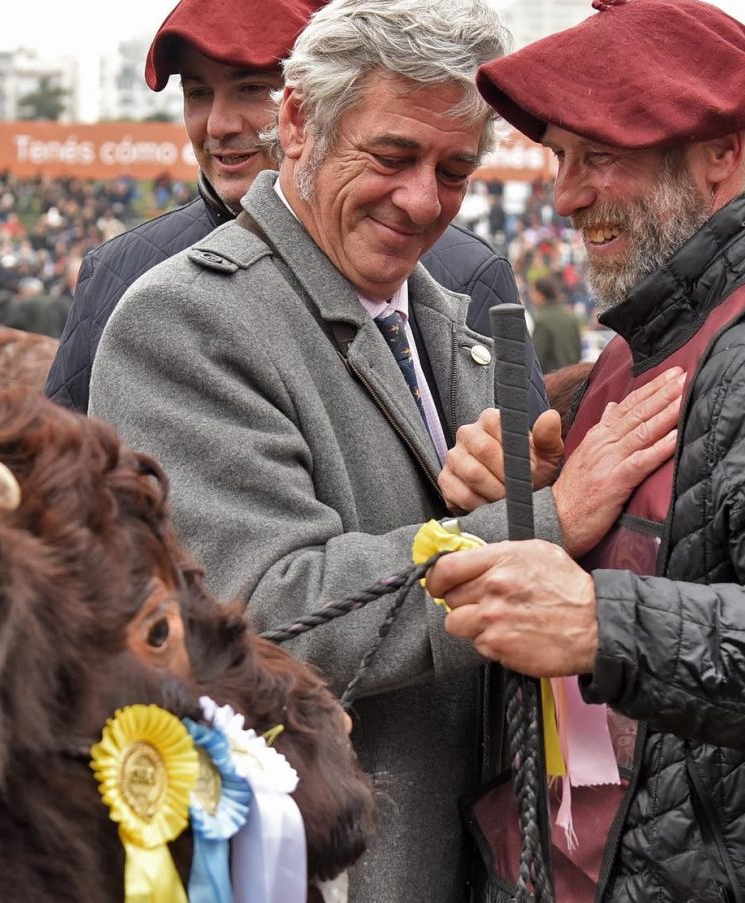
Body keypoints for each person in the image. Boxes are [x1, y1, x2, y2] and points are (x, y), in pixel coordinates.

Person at [90, 1, 681, 898]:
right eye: (392, 157)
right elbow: (267, 615)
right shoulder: (187, 320)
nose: (422, 201)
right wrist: (546, 521)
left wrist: (524, 496)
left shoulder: (449, 324)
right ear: (297, 123)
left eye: (454, 169)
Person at [428, 1, 745, 900]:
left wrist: (604, 622)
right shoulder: (638, 344)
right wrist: (545, 504)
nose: (567, 194)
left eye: (602, 154)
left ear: (722, 152)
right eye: (561, 159)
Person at [43, 0, 548, 417]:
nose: (218, 124)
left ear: (307, 110)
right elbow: (64, 488)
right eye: (198, 93)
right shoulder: (120, 273)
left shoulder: (466, 271)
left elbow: (526, 486)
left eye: (250, 88)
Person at [528, 274, 581, 373]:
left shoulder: (542, 319)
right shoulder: (570, 315)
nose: (530, 296)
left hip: (553, 381)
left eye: (532, 291)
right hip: (572, 378)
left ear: (540, 294)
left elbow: (537, 358)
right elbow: (578, 349)